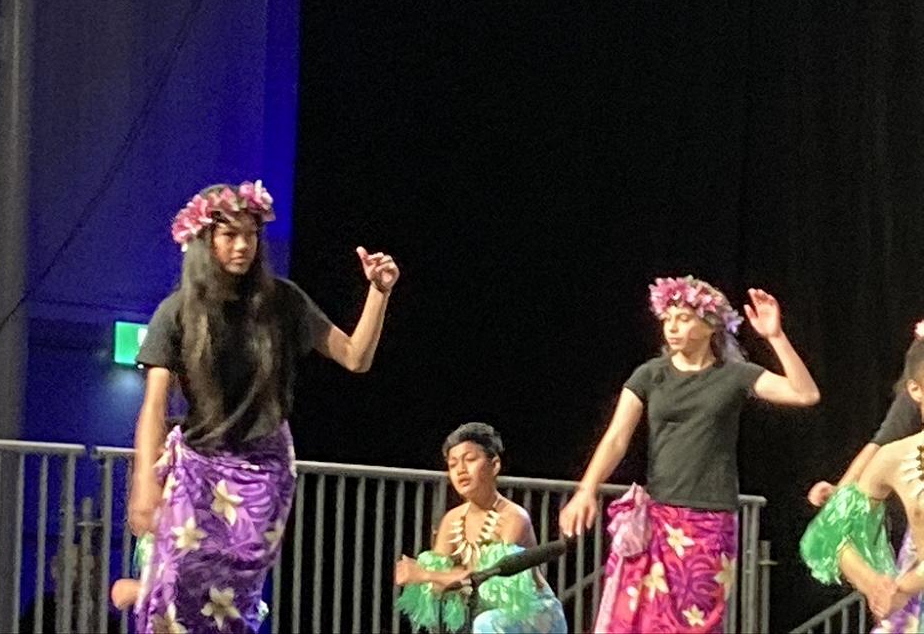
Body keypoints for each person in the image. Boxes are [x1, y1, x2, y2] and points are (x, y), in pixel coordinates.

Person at [129, 180, 399, 633]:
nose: (242, 245)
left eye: (251, 235)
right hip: (198, 466)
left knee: (234, 595)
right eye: (229, 234)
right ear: (205, 239)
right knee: (175, 580)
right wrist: (143, 483)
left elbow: (356, 357)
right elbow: (154, 407)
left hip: (263, 468)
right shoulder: (176, 312)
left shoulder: (283, 302)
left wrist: (379, 292)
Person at [559, 275, 820, 633]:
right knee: (637, 621)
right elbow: (616, 437)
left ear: (710, 325)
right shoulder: (650, 375)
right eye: (667, 319)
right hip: (658, 517)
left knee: (693, 625)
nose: (672, 327)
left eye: (683, 318)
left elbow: (805, 394)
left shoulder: (734, 375)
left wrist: (775, 336)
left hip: (709, 521)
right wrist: (587, 489)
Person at [800, 323, 924, 631]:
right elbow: (829, 532)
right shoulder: (895, 457)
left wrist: (905, 586)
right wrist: (874, 584)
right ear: (915, 390)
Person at [395, 422, 567, 633]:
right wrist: (431, 576)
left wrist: (424, 574)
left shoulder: (513, 517)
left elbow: (486, 581)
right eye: (453, 464)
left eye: (470, 460)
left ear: (494, 465)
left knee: (486, 623)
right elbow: (441, 584)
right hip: (483, 615)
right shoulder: (452, 520)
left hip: (534, 614)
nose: (461, 470)